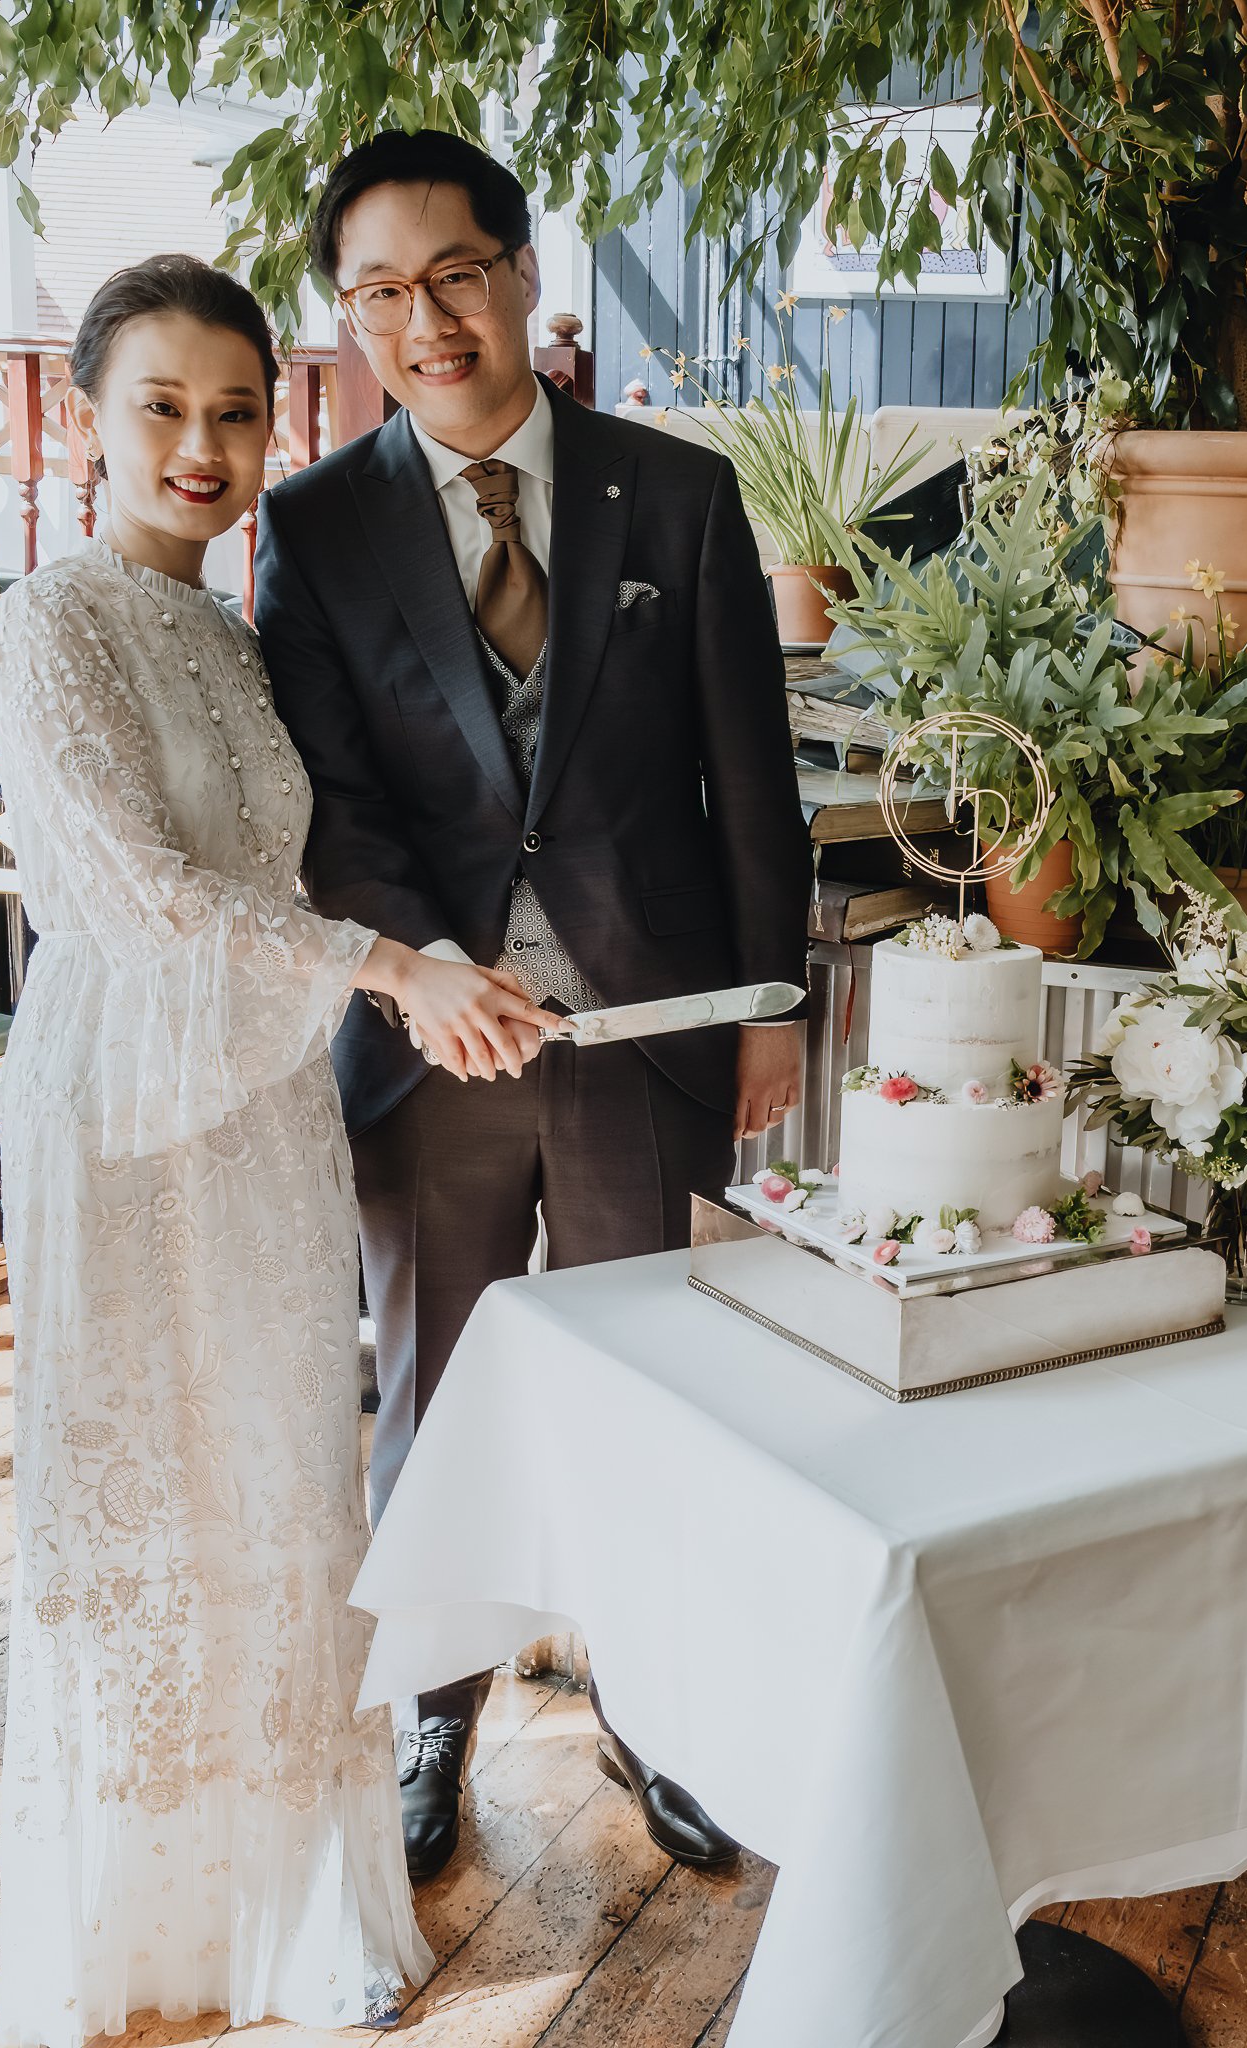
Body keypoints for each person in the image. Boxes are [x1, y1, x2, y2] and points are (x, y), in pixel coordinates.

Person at [0, 253, 555, 2047]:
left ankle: (286, 1895)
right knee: (145, 1503)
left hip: (260, 1110)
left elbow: (300, 868)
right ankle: (138, 1924)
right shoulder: (50, 618)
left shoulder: (235, 640)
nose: (204, 444)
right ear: (88, 413)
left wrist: (470, 962)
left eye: (238, 410)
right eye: (162, 404)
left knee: (281, 1487)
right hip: (122, 1115)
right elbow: (149, 898)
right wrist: (393, 970)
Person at [255, 131, 813, 1882]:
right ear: (348, 314)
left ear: (519, 273)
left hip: (650, 1026)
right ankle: (437, 1714)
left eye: (454, 275)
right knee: (436, 1393)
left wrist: (773, 1006)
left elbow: (752, 777)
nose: (423, 321)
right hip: (433, 1049)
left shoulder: (682, 491)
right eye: (377, 292)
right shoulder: (313, 523)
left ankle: (664, 1713)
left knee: (656, 1387)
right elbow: (326, 806)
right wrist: (425, 985)